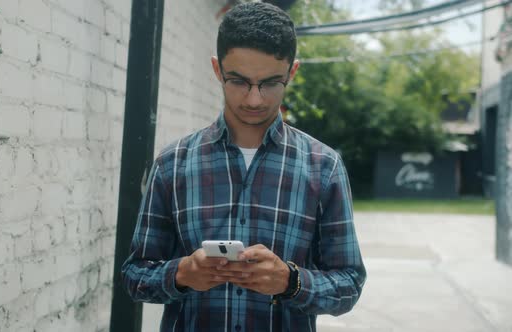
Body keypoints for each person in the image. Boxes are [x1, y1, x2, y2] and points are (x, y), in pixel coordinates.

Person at [121, 2, 366, 331]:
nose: (254, 99)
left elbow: (349, 283)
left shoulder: (323, 166)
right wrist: (181, 274)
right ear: (217, 70)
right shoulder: (173, 163)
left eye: (270, 83)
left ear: (292, 72)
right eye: (238, 81)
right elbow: (135, 275)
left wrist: (290, 281)